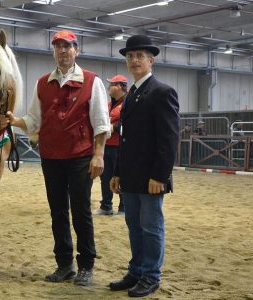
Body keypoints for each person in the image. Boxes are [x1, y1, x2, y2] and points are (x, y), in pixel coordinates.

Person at [5, 30, 110, 286]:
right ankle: (65, 264)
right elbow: (33, 120)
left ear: (77, 50)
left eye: (67, 46)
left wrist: (98, 155)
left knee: (80, 210)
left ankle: (86, 265)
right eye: (57, 46)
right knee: (58, 211)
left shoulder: (91, 81)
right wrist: (13, 120)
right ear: (53, 51)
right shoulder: (43, 83)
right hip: (51, 157)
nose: (62, 51)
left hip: (80, 157)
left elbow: (101, 123)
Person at [109, 35, 180, 297]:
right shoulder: (130, 96)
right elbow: (124, 139)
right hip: (130, 176)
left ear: (151, 60)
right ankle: (137, 271)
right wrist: (117, 172)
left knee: (151, 227)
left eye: (139, 56)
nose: (134, 60)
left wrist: (160, 175)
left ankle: (151, 275)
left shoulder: (162, 92)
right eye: (130, 56)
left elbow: (169, 138)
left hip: (152, 177)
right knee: (134, 226)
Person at [94, 75, 127, 216]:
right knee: (105, 177)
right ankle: (106, 206)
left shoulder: (128, 103)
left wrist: (113, 127)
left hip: (121, 146)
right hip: (106, 145)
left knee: (122, 176)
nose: (109, 87)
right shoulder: (108, 104)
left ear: (120, 86)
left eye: (112, 84)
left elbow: (129, 122)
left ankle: (123, 208)